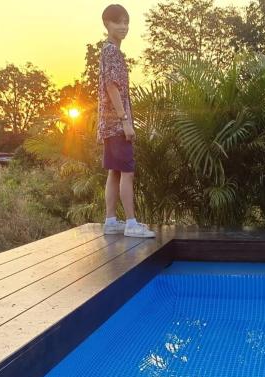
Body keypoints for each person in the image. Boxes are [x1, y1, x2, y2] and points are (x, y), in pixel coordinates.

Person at [98, 4, 155, 238]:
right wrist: (125, 121)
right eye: (117, 22)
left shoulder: (109, 51)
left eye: (126, 22)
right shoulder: (111, 51)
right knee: (127, 171)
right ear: (106, 24)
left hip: (109, 124)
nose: (123, 27)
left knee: (114, 171)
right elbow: (111, 86)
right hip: (117, 124)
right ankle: (131, 223)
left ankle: (111, 221)